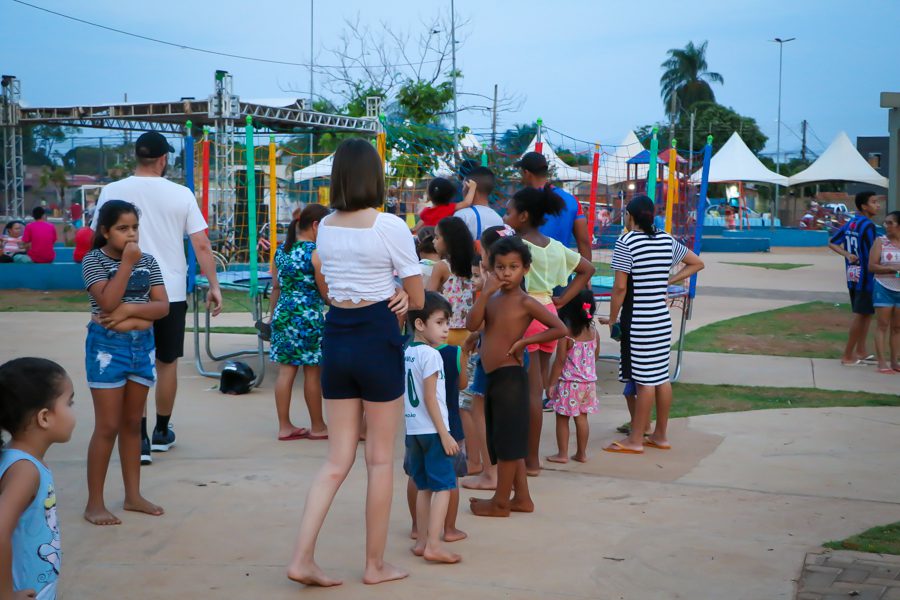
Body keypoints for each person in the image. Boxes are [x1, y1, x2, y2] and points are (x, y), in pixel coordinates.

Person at [287, 138, 424, 587]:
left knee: (335, 460)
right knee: (380, 460)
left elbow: (329, 283)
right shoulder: (389, 225)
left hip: (338, 335)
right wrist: (402, 293)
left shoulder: (324, 225)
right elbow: (417, 298)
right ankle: (374, 564)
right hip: (377, 334)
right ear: (375, 176)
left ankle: (303, 558)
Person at [93, 131, 222, 464]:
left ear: (136, 157)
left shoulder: (111, 191)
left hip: (121, 289)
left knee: (131, 363)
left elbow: (98, 241)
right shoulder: (180, 194)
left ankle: (141, 439)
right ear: (164, 160)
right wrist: (214, 286)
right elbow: (201, 244)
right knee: (165, 363)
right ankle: (162, 431)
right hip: (169, 291)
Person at [81, 200, 169, 525]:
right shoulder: (93, 260)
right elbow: (106, 301)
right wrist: (127, 267)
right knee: (107, 426)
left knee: (133, 424)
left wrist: (130, 311)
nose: (131, 234)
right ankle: (94, 503)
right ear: (105, 231)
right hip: (107, 349)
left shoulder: (149, 261)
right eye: (122, 228)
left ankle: (133, 496)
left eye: (134, 227)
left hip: (142, 347)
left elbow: (161, 307)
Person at [465, 236, 567, 517]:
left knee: (508, 442)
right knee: (502, 439)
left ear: (525, 269)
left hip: (510, 376)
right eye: (500, 267)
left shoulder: (526, 302)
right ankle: (521, 497)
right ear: (491, 268)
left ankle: (500, 502)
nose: (506, 273)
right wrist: (484, 294)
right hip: (492, 375)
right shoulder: (493, 298)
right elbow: (472, 322)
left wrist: (523, 343)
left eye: (513, 267)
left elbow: (559, 328)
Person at [504, 186, 594, 475]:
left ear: (524, 215)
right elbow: (587, 269)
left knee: (529, 394)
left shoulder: (517, 247)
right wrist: (564, 299)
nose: (505, 217)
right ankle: (531, 456)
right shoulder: (555, 246)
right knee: (538, 388)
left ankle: (530, 460)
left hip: (526, 315)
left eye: (509, 212)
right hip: (549, 313)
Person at [605, 195, 704, 454]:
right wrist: (670, 280)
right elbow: (697, 262)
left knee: (644, 381)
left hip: (639, 319)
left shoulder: (626, 242)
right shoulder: (666, 239)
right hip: (661, 318)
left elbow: (619, 288)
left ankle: (636, 439)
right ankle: (660, 435)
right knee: (661, 378)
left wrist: (613, 318)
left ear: (630, 215)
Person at [0, 358, 76, 600]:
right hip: (27, 590)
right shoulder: (25, 471)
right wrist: (5, 594)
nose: (73, 411)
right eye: (69, 403)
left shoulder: (19, 459)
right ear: (44, 417)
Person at [403, 292, 463, 564]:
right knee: (444, 487)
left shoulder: (407, 352)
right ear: (419, 324)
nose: (446, 329)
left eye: (447, 322)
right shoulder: (431, 355)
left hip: (413, 430)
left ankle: (422, 541)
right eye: (439, 322)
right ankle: (435, 545)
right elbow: (430, 398)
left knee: (424, 485)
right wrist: (445, 433)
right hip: (433, 430)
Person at [269, 204, 330, 441]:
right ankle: (317, 426)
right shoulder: (315, 253)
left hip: (284, 314)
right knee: (312, 374)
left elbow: (276, 287)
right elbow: (325, 293)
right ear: (315, 226)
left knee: (285, 372)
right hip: (308, 317)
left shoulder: (281, 251)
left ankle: (284, 426)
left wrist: (273, 318)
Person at [460, 225, 507, 491]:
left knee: (480, 412)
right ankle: (499, 473)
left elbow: (476, 321)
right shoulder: (512, 280)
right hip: (507, 356)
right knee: (498, 416)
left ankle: (490, 473)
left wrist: (474, 335)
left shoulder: (493, 283)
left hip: (488, 356)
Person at [545, 290, 604, 464]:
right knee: (582, 418)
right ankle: (581, 453)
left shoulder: (566, 334)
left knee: (562, 418)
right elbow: (596, 356)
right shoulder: (593, 331)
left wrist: (551, 383)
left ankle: (562, 454)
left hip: (569, 383)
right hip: (588, 383)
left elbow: (560, 360)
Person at [828, 191, 881, 367]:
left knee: (865, 314)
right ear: (864, 206)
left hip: (852, 275)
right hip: (866, 276)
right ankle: (847, 355)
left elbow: (832, 242)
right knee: (862, 316)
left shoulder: (851, 223)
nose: (877, 205)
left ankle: (861, 351)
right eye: (874, 202)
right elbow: (875, 252)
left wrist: (848, 255)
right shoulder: (868, 226)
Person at [516, 151, 591, 262]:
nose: (521, 179)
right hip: (561, 271)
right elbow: (583, 242)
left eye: (521, 174)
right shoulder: (571, 200)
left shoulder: (523, 200)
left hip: (532, 271)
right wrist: (586, 277)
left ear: (526, 173)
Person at [427, 217, 476, 347]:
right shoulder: (474, 267)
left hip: (444, 331)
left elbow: (429, 299)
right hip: (469, 332)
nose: (433, 241)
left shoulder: (442, 267)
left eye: (437, 238)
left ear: (449, 241)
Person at [868, 210, 900, 373]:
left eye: (890, 223)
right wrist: (889, 268)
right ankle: (882, 362)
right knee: (882, 325)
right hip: (883, 287)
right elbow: (871, 266)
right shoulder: (880, 241)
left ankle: (895, 361)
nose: (886, 226)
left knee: (897, 328)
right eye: (885, 223)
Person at [455, 167, 503, 241]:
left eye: (464, 186)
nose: (462, 190)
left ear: (471, 188)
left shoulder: (462, 215)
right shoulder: (499, 219)